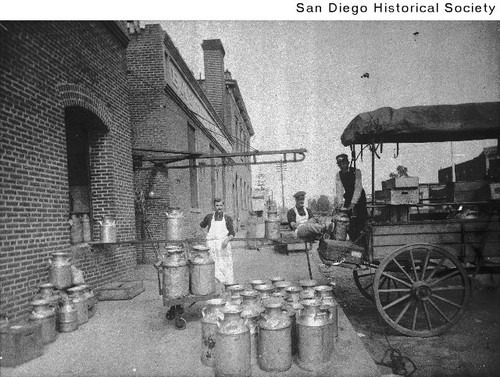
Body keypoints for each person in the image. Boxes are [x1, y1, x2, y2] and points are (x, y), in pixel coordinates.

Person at [200, 198, 235, 286]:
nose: (219, 207)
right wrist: (206, 236)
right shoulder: (209, 217)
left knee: (226, 264)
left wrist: (227, 240)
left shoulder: (227, 218)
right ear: (214, 206)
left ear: (223, 206)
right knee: (214, 264)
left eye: (220, 205)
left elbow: (232, 233)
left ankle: (229, 285)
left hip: (224, 245)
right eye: (217, 205)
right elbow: (201, 226)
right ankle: (217, 286)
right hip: (212, 245)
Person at [333, 153, 368, 242]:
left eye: (344, 163)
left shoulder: (357, 172)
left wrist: (353, 203)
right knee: (347, 220)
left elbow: (358, 188)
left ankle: (362, 240)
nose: (342, 166)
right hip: (348, 197)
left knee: (360, 219)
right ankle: (352, 239)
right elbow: (339, 190)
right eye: (340, 164)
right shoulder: (338, 175)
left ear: (348, 163)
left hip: (359, 198)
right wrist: (340, 203)